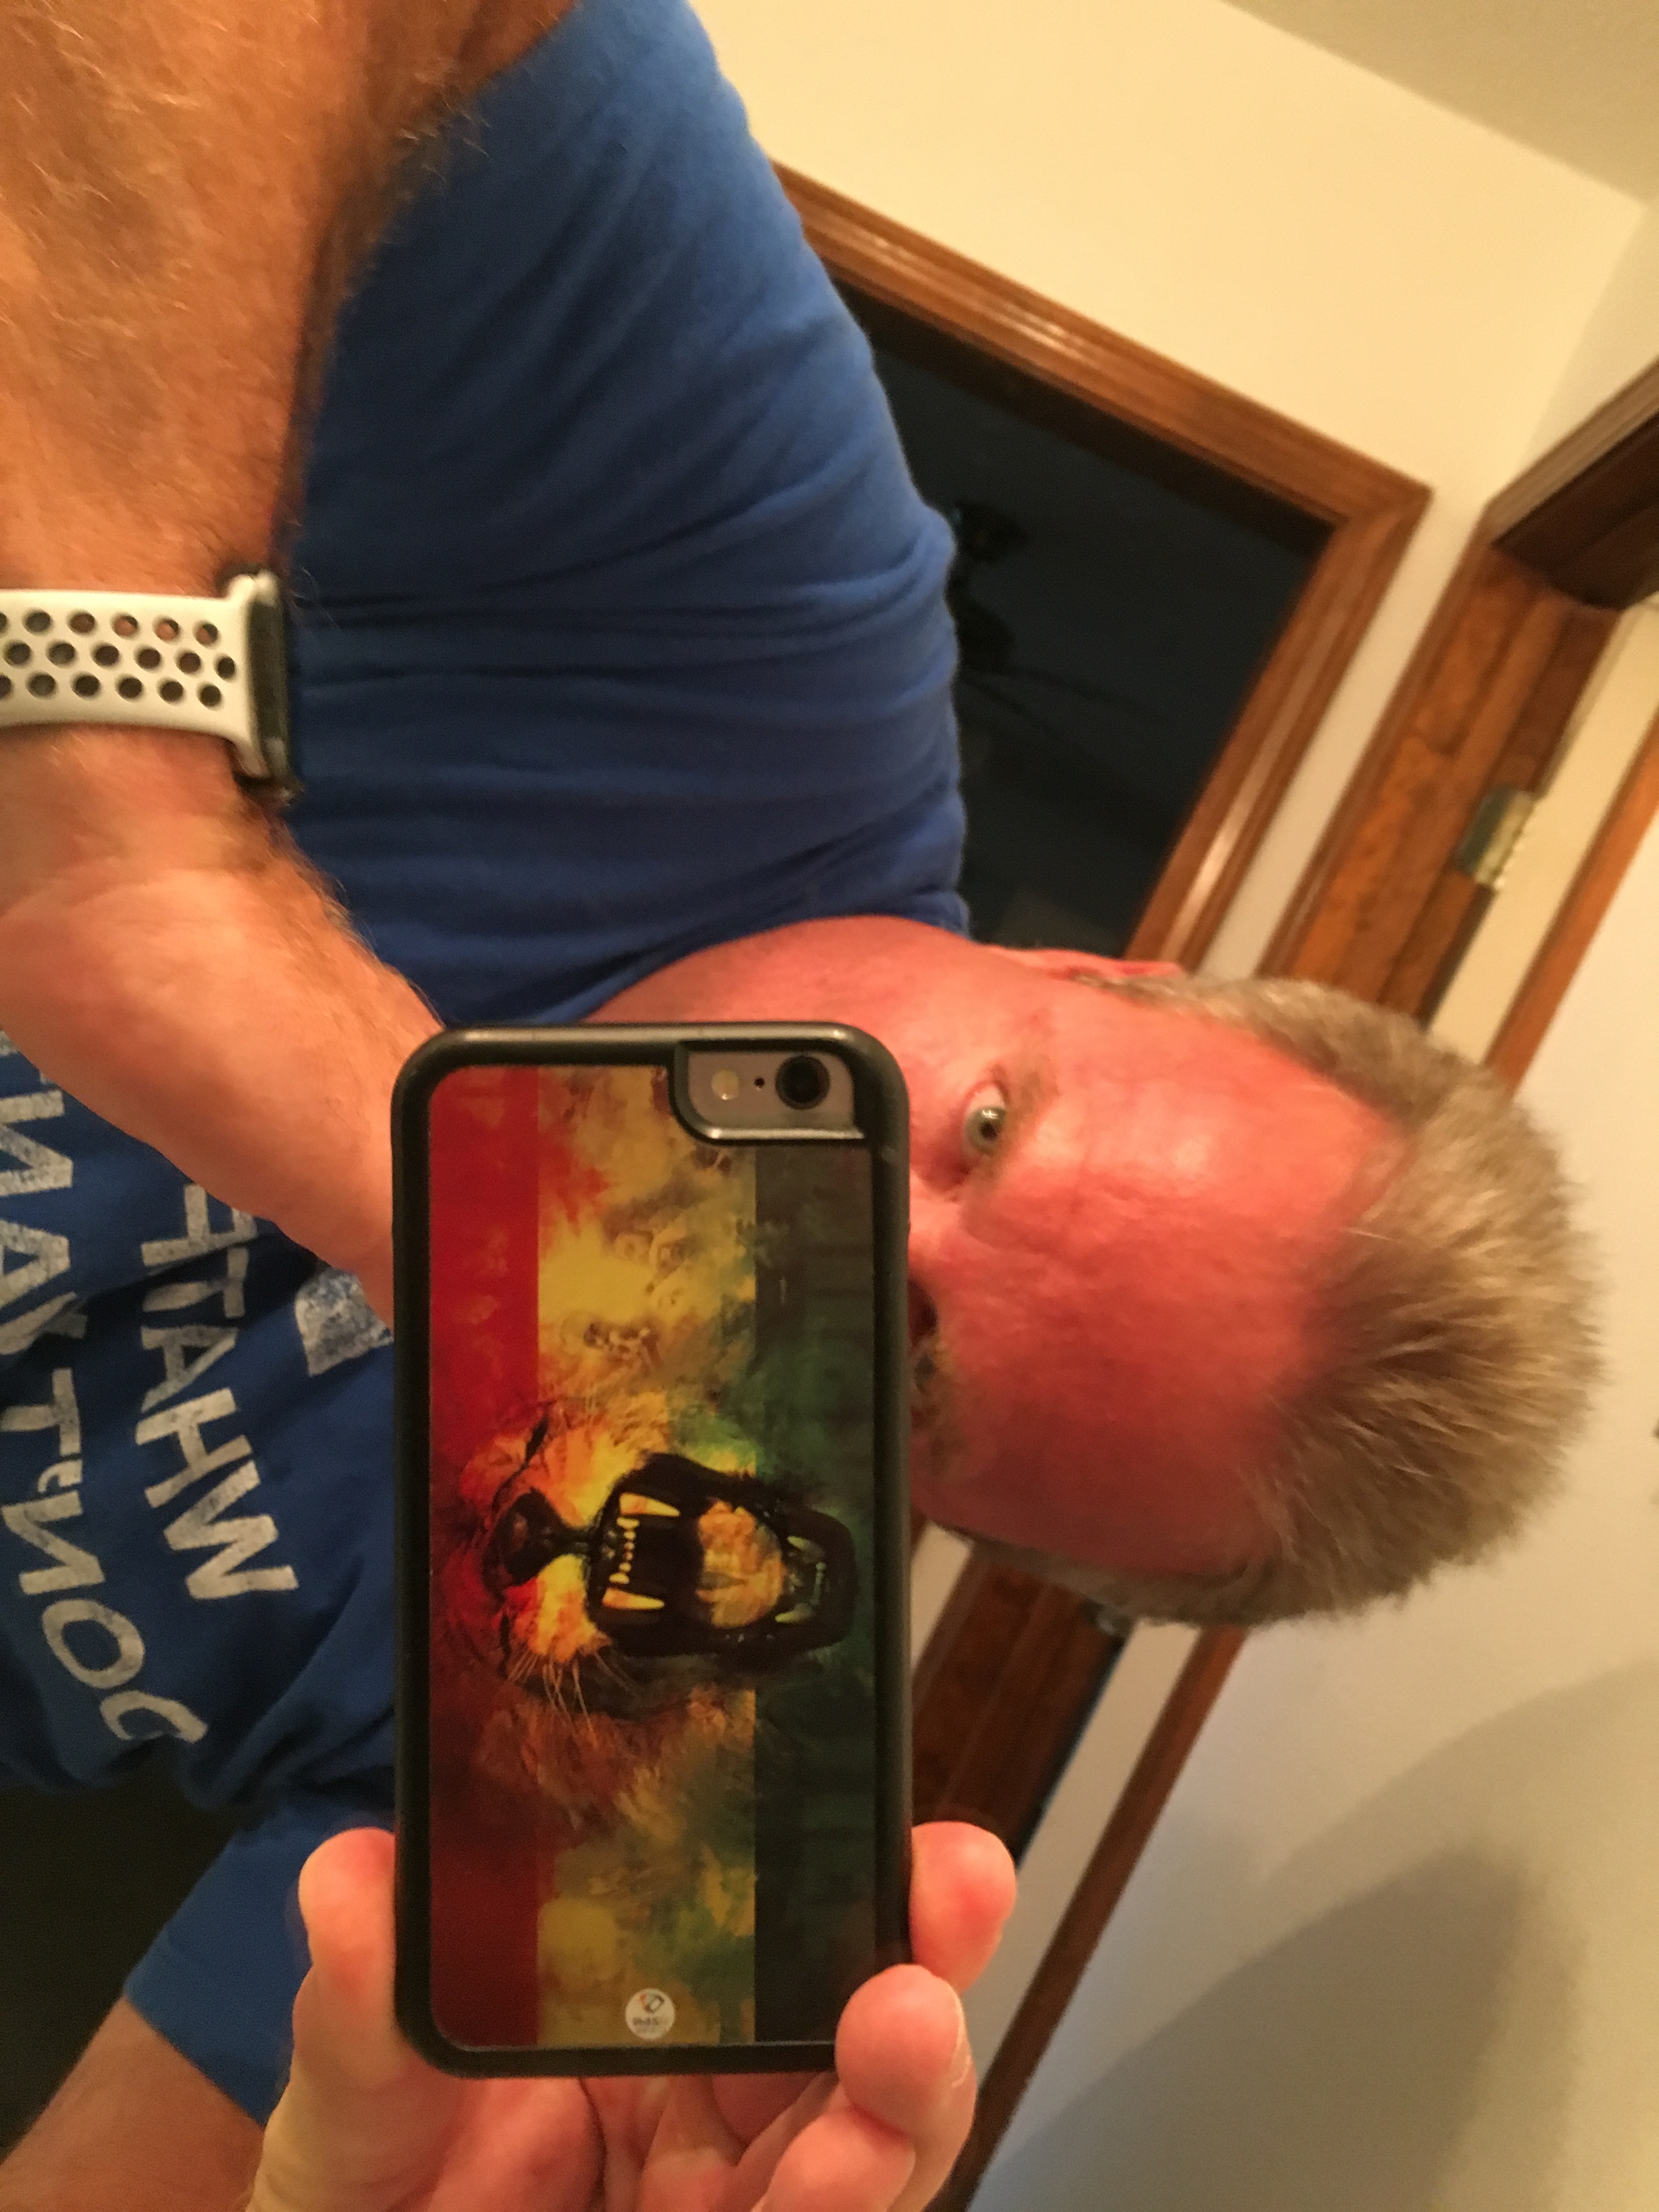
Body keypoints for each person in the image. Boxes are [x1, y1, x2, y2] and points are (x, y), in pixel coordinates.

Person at [0, 0, 1595, 2204]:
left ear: (921, 1522)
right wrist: (129, 816)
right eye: (993, 1134)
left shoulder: (626, 1680)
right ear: (1101, 972)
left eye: (911, 1365)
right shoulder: (763, 632)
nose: (846, 1223)